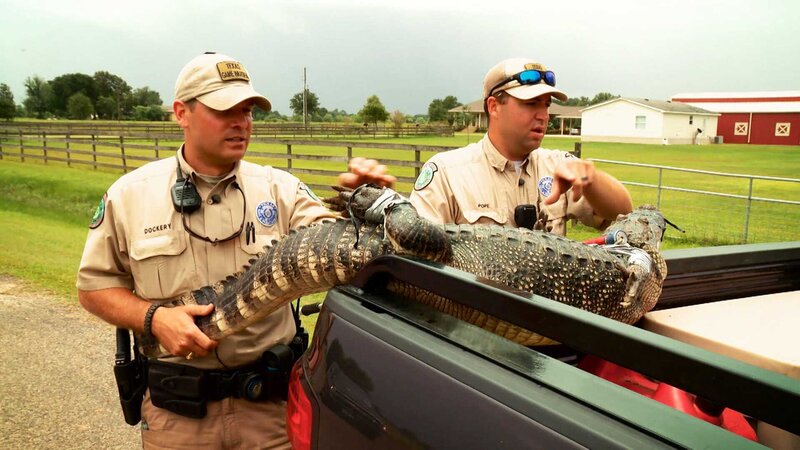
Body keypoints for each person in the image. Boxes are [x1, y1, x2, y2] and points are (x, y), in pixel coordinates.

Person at [77, 52, 336, 449]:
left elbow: (334, 240)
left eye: (248, 110)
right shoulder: (129, 196)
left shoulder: (280, 190)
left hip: (269, 410)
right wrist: (154, 318)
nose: (242, 122)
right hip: (177, 415)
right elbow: (94, 288)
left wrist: (369, 201)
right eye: (225, 109)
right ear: (182, 112)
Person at [341, 57, 633, 235]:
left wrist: (593, 180)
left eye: (546, 105)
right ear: (494, 106)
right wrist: (375, 210)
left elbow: (622, 215)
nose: (543, 114)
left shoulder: (557, 166)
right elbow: (411, 246)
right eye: (531, 103)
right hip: (473, 328)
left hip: (547, 326)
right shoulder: (446, 172)